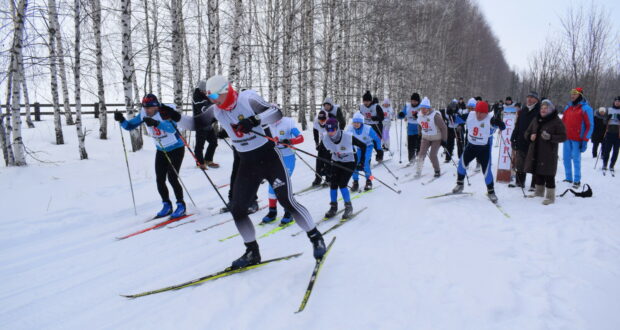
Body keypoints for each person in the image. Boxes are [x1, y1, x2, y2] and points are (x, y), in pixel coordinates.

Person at [192, 75, 326, 268]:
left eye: (212, 94)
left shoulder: (247, 99)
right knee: (237, 209)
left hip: (270, 157)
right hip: (248, 162)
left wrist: (254, 120)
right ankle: (252, 252)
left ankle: (316, 237)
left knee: (287, 201)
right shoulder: (218, 110)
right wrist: (171, 117)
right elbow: (195, 123)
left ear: (224, 90)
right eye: (208, 95)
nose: (210, 98)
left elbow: (276, 112)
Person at [114, 94, 186, 218]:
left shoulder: (165, 112)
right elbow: (130, 126)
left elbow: (172, 129)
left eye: (149, 108)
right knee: (159, 179)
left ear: (156, 106)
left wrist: (156, 123)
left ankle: (181, 205)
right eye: (145, 107)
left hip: (176, 148)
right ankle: (167, 205)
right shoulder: (143, 113)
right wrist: (121, 120)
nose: (146, 110)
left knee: (172, 178)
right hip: (161, 150)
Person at [453, 101, 506, 202]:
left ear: (486, 113)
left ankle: (491, 192)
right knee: (462, 163)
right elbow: (457, 119)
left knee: (486, 171)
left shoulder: (490, 119)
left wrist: (499, 123)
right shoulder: (470, 115)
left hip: (484, 148)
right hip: (471, 146)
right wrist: (452, 112)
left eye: (481, 113)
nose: (478, 114)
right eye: (477, 111)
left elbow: (503, 126)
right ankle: (460, 184)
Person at [261, 116, 304, 225]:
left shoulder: (288, 122)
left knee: (283, 183)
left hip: (288, 157)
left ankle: (289, 212)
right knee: (272, 183)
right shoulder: (265, 124)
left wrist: (289, 141)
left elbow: (300, 137)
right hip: (274, 158)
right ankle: (272, 211)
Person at [322, 118, 368, 219]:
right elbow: (325, 153)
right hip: (337, 160)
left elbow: (363, 146)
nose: (330, 133)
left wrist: (361, 162)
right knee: (333, 184)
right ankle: (333, 207)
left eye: (332, 130)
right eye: (328, 130)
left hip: (350, 161)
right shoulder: (325, 138)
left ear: (337, 128)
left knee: (342, 183)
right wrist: (326, 167)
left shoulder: (347, 136)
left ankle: (348, 207)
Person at [524, 99, 567, 205]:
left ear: (551, 109)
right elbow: (527, 132)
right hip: (536, 150)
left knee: (548, 174)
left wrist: (551, 137)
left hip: (549, 153)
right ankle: (538, 192)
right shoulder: (536, 119)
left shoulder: (556, 120)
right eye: (542, 108)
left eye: (546, 108)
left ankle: (550, 197)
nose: (543, 110)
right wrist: (530, 137)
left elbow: (563, 137)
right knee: (538, 172)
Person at [562, 87, 594, 188]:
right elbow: (563, 121)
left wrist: (585, 139)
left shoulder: (586, 108)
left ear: (580, 95)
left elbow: (590, 125)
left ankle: (577, 180)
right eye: (571, 94)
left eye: (575, 94)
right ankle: (568, 178)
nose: (572, 96)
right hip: (567, 138)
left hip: (577, 139)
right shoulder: (568, 107)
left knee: (576, 159)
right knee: (566, 158)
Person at [511, 91, 540, 191]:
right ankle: (519, 182)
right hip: (521, 140)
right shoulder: (523, 110)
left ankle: (534, 185)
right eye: (528, 97)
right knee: (520, 163)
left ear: (536, 99)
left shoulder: (539, 111)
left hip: (533, 142)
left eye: (532, 97)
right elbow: (518, 125)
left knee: (533, 163)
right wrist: (513, 137)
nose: (529, 99)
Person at [348, 112, 382, 191]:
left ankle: (370, 180)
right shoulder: (350, 129)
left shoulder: (368, 129)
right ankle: (355, 181)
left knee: (366, 164)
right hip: (358, 148)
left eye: (358, 123)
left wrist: (379, 150)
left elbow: (377, 139)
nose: (355, 124)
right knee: (354, 163)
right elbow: (347, 140)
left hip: (368, 147)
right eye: (354, 122)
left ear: (361, 123)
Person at [415, 97, 448, 178]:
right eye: (421, 108)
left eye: (425, 108)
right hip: (425, 138)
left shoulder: (435, 116)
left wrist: (444, 140)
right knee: (421, 154)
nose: (423, 110)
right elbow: (419, 124)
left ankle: (437, 170)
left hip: (436, 139)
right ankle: (418, 171)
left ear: (429, 108)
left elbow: (444, 128)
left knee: (432, 155)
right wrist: (419, 133)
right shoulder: (420, 115)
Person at [192, 81, 220, 169]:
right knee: (200, 146)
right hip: (200, 124)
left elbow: (218, 98)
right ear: (201, 90)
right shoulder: (196, 96)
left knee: (214, 142)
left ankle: (208, 160)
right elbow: (203, 107)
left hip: (208, 123)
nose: (206, 92)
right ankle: (200, 163)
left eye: (207, 90)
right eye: (204, 90)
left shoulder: (208, 94)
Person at [358, 91, 385, 162]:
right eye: (364, 101)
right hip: (366, 126)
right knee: (366, 142)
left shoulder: (376, 106)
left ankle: (379, 155)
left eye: (367, 101)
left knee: (376, 141)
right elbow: (359, 115)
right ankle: (365, 159)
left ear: (371, 101)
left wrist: (375, 117)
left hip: (376, 125)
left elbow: (382, 117)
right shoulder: (361, 107)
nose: (366, 103)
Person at [397, 93, 421, 163]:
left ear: (418, 101)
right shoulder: (407, 106)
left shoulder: (421, 106)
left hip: (419, 127)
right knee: (410, 145)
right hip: (410, 127)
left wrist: (419, 115)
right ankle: (411, 159)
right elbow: (402, 114)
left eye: (415, 101)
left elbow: (425, 115)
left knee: (418, 144)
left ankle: (419, 157)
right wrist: (401, 114)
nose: (414, 102)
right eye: (412, 101)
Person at [311, 110, 332, 186]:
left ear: (326, 118)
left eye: (323, 120)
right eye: (320, 120)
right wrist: (317, 143)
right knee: (319, 159)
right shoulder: (316, 121)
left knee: (328, 159)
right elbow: (315, 132)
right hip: (323, 140)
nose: (322, 121)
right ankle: (318, 177)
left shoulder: (331, 121)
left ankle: (329, 178)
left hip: (331, 140)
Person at [601, 96, 620, 175]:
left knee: (615, 151)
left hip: (618, 133)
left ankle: (612, 165)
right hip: (609, 131)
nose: (617, 102)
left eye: (619, 101)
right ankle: (605, 164)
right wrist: (607, 118)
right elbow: (604, 121)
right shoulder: (609, 109)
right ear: (614, 102)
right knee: (607, 150)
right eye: (616, 101)